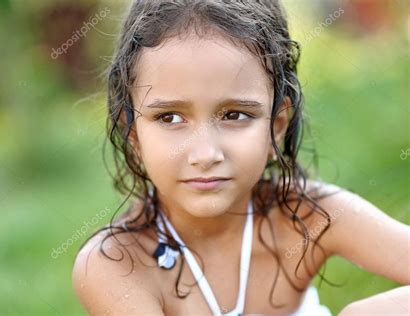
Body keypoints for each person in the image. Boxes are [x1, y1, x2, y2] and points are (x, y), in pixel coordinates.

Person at [72, 1, 410, 315]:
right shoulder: (114, 265)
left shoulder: (310, 217)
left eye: (234, 115)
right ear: (132, 133)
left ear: (276, 126)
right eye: (170, 117)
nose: (205, 155)